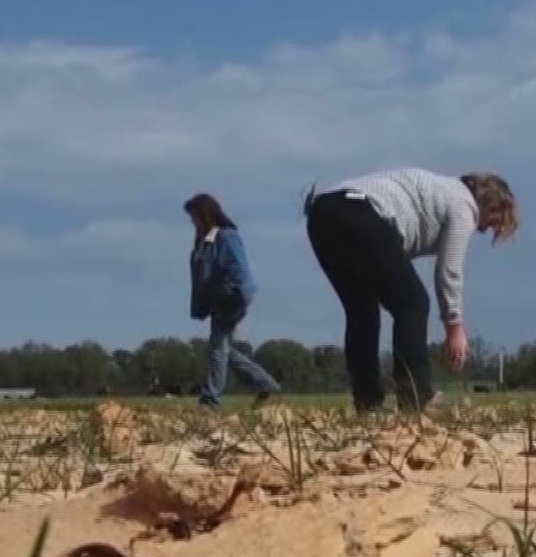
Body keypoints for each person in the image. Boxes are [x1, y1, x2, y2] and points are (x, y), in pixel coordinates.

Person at [301, 168, 518, 413]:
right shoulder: (464, 204)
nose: (484, 229)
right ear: (490, 204)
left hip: (323, 214)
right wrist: (454, 327)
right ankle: (416, 397)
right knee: (413, 304)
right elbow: (449, 271)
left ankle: (368, 402)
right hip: (361, 212)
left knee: (362, 311)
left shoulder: (442, 189)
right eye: (490, 223)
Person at [185, 192, 282, 409]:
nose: (193, 222)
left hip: (231, 299)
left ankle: (210, 402)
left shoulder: (226, 237)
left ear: (206, 215)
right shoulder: (203, 242)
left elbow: (238, 272)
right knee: (224, 348)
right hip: (218, 301)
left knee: (218, 348)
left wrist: (223, 296)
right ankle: (266, 385)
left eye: (195, 217)